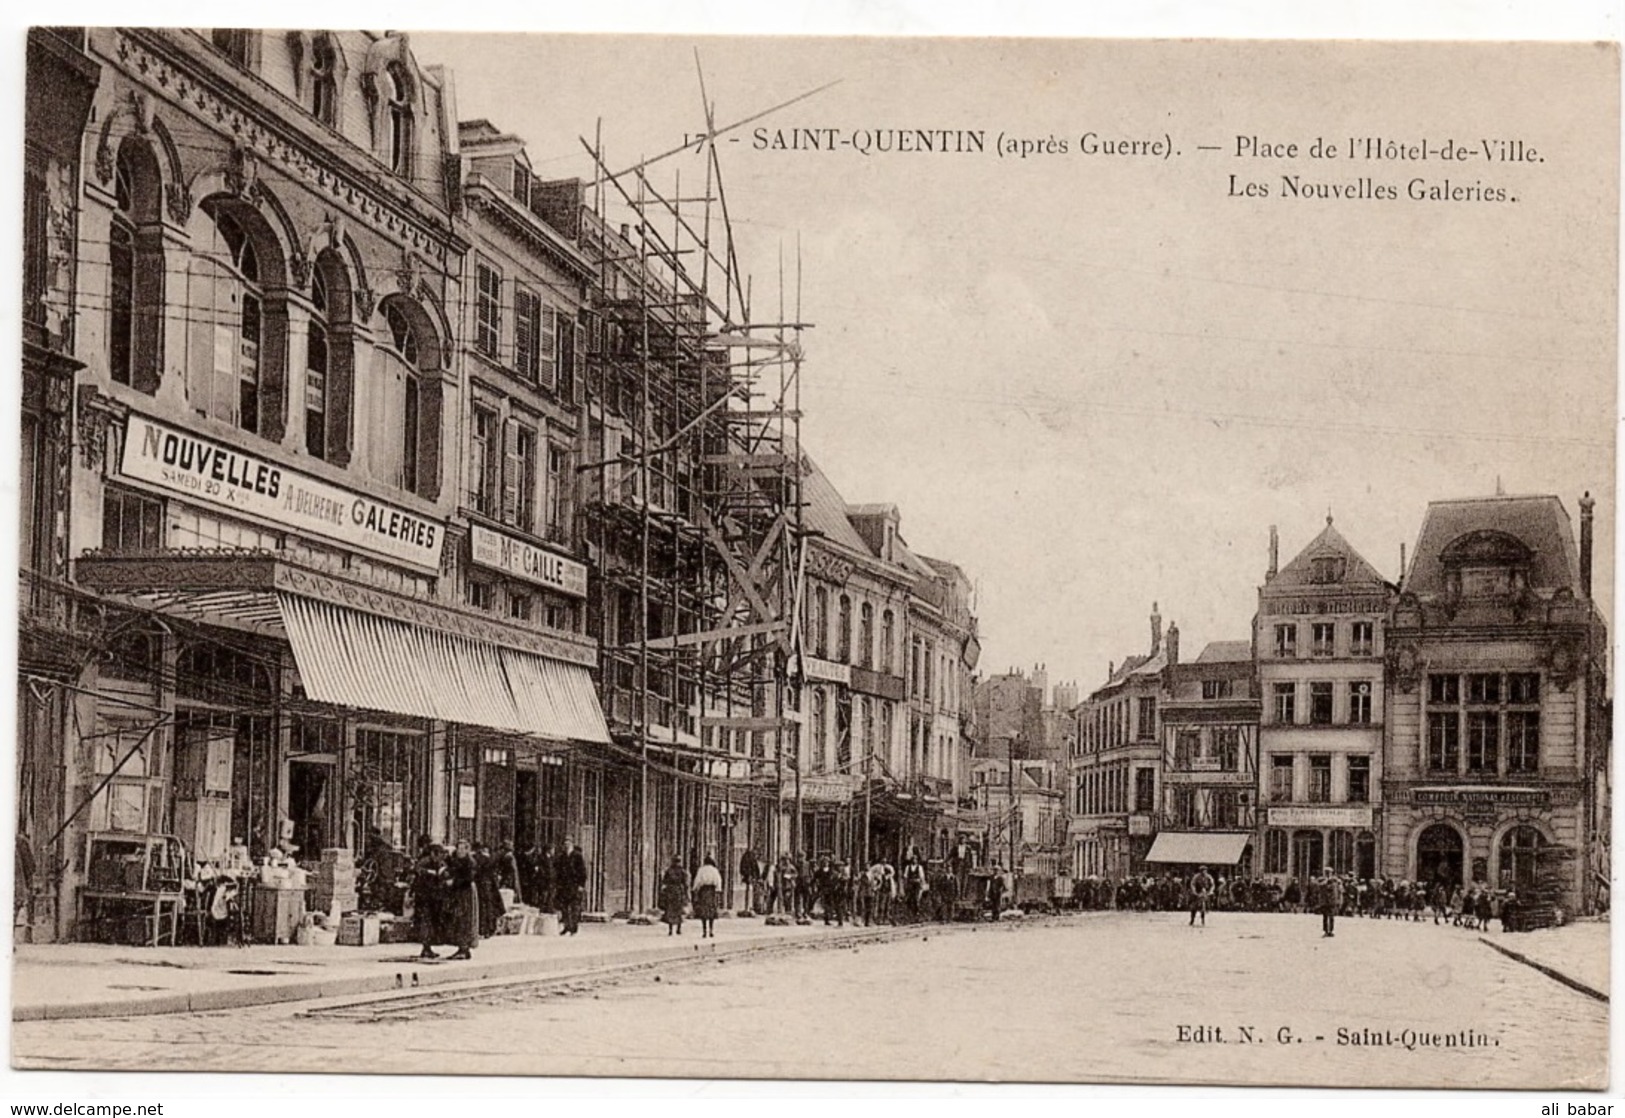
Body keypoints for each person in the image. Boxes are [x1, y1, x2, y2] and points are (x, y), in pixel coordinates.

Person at [410, 842, 448, 960]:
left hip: (435, 897)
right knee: (425, 922)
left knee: (432, 923)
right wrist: (430, 873)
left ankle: (428, 948)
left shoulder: (440, 863)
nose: (441, 857)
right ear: (433, 853)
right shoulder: (424, 861)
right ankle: (426, 947)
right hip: (424, 897)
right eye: (439, 854)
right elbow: (417, 872)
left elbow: (444, 873)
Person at [443, 839, 479, 960]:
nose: (460, 851)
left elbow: (468, 878)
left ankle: (464, 948)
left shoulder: (470, 862)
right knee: (458, 920)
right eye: (458, 848)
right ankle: (462, 948)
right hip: (458, 893)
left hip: (465, 893)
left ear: (467, 849)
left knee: (465, 919)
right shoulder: (456, 861)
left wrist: (454, 882)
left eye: (463, 848)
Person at [556, 838, 588, 935]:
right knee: (564, 907)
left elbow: (582, 872)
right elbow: (559, 871)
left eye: (568, 843)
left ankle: (573, 927)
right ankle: (566, 926)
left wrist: (581, 885)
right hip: (564, 885)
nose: (566, 845)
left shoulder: (577, 856)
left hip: (574, 885)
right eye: (564, 843)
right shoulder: (562, 856)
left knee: (574, 907)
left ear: (572, 844)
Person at [692, 855, 723, 938]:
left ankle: (704, 930)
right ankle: (711, 930)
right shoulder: (714, 870)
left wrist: (695, 889)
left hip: (704, 891)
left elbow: (698, 881)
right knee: (711, 910)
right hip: (712, 891)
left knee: (704, 911)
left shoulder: (701, 870)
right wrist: (718, 891)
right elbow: (718, 881)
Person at [659, 855, 690, 936]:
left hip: (670, 892)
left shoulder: (669, 871)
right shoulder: (682, 871)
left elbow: (664, 882)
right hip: (679, 891)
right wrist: (686, 894)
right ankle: (678, 929)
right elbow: (685, 883)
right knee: (678, 910)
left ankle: (670, 929)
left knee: (670, 910)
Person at [1319, 868, 1344, 938]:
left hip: (1332, 901)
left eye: (1329, 872)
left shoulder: (1336, 881)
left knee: (1331, 916)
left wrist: (1339, 900)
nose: (1327, 873)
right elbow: (1320, 886)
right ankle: (1326, 930)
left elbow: (1340, 890)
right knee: (1325, 916)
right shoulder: (1322, 880)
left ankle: (1330, 930)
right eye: (1326, 872)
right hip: (1325, 901)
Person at [739, 848, 762, 914]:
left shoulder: (749, 858)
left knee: (752, 891)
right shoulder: (751, 858)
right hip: (750, 877)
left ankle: (750, 907)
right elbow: (754, 869)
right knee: (751, 891)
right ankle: (750, 907)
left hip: (749, 877)